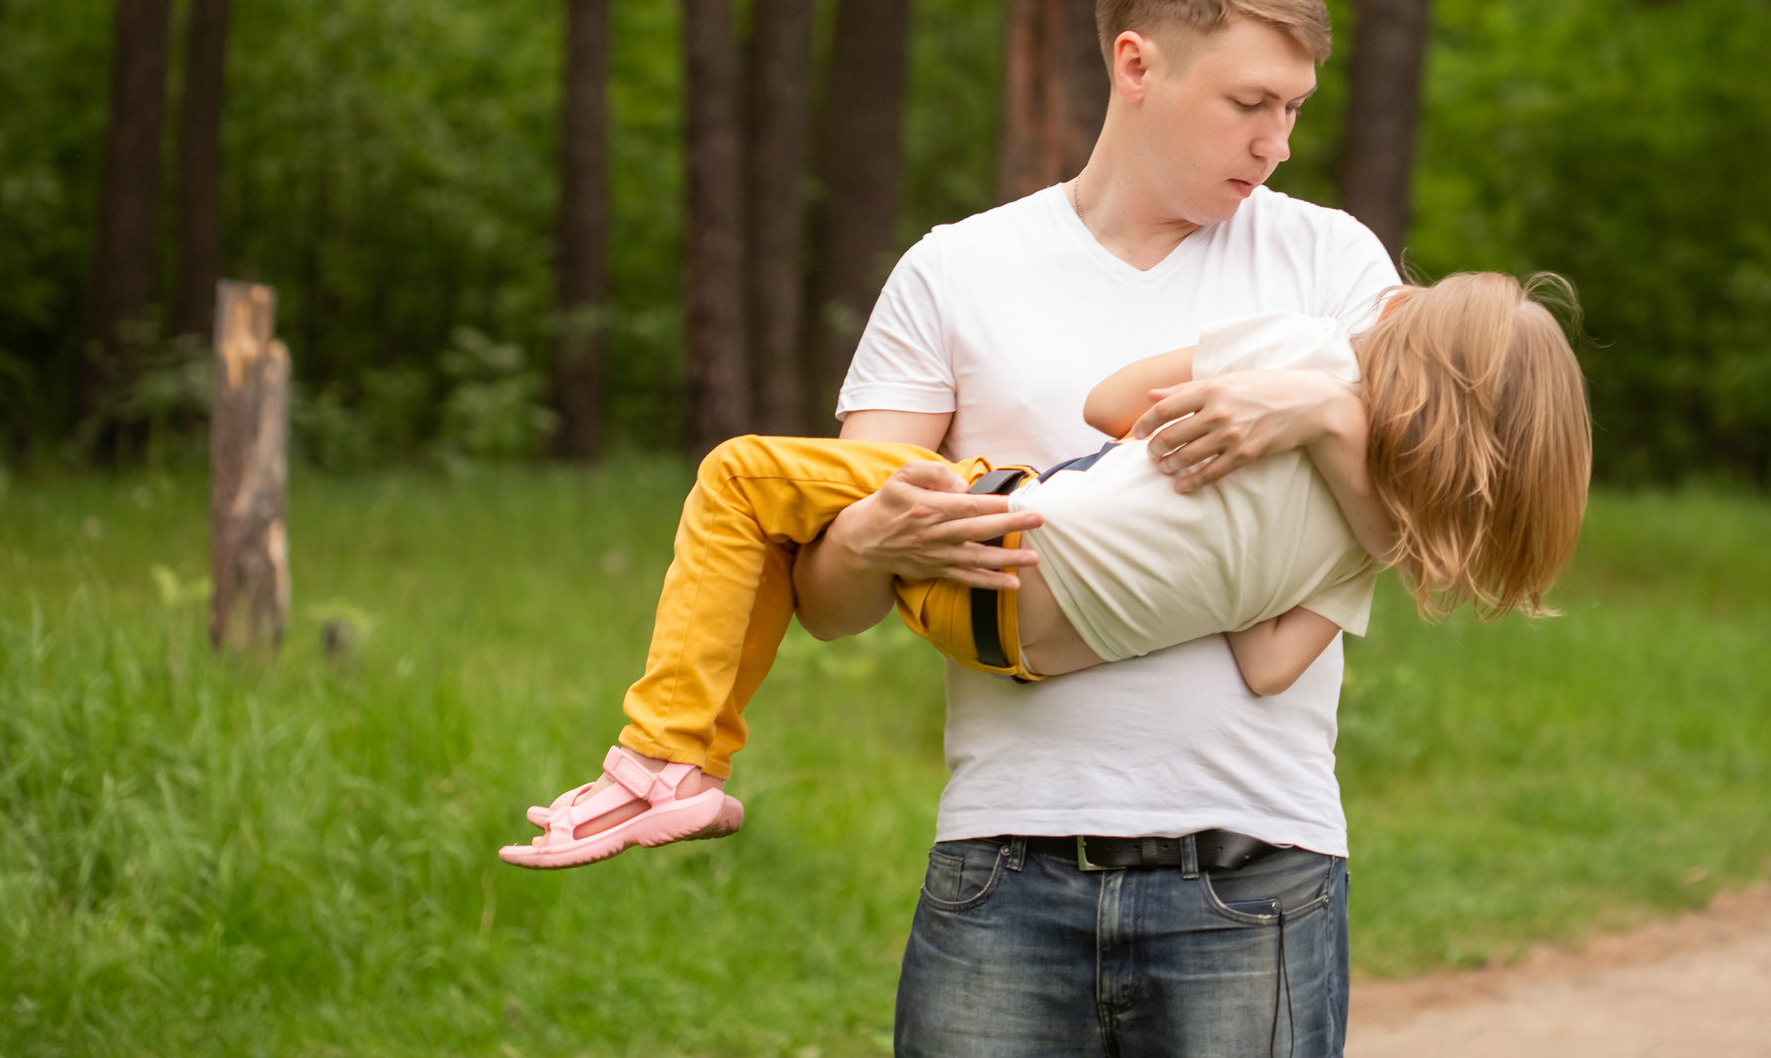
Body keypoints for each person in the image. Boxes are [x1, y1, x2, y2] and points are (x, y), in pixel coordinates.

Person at [499, 274, 1591, 871]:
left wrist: (1299, 415)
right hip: (1032, 647)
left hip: (994, 540)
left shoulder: (1304, 353)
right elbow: (1266, 665)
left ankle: (666, 759)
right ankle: (677, 770)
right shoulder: (1369, 550)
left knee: (741, 480)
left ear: (1403, 326)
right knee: (795, 515)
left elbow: (1114, 406)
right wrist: (1200, 567)